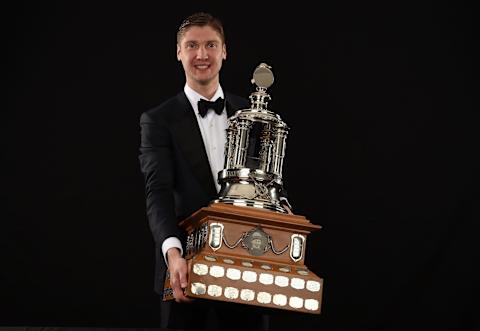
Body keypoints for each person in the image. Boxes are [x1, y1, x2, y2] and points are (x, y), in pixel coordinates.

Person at [139, 12, 275, 331]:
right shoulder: (158, 120)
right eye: (192, 46)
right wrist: (173, 255)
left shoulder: (251, 114)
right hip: (185, 268)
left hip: (247, 266)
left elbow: (268, 187)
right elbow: (157, 192)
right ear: (179, 52)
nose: (202, 55)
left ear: (224, 51)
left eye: (211, 45)